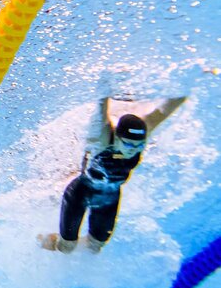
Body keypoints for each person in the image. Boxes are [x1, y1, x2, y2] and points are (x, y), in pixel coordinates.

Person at [39, 95, 186, 253]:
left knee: (95, 246)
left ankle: (76, 245)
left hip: (109, 200)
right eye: (128, 144)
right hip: (80, 194)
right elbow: (101, 108)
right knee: (66, 248)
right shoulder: (102, 140)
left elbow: (166, 110)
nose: (133, 149)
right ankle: (41, 239)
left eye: (139, 145)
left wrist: (190, 84)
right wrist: (105, 90)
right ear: (117, 137)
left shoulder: (142, 134)